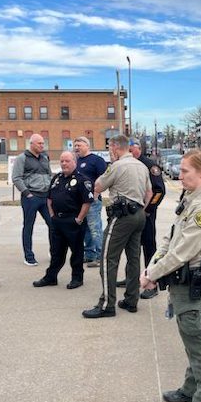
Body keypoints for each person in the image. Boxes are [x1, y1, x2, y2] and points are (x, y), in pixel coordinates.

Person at [139, 150, 201, 402]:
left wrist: (151, 275)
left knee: (200, 349)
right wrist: (152, 267)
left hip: (190, 284)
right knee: (191, 341)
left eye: (186, 170)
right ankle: (190, 389)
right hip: (179, 282)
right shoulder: (190, 200)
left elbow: (183, 252)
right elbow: (170, 239)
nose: (180, 174)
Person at [82, 134, 152, 319]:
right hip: (138, 215)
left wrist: (111, 164)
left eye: (109, 148)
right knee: (134, 258)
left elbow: (98, 186)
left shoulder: (116, 166)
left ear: (114, 147)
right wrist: (140, 209)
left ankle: (107, 304)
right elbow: (149, 192)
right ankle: (131, 299)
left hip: (121, 216)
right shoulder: (142, 166)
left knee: (107, 258)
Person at [32, 152, 94, 290]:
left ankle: (77, 278)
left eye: (67, 161)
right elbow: (49, 198)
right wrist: (52, 215)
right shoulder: (56, 178)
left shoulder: (82, 180)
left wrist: (79, 219)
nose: (64, 163)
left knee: (76, 252)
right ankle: (51, 277)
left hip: (73, 221)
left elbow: (87, 202)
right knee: (56, 252)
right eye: (62, 161)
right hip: (57, 221)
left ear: (74, 162)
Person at [126, 137, 166, 299]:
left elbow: (159, 190)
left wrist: (148, 210)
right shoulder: (127, 165)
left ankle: (152, 283)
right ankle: (132, 278)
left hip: (146, 214)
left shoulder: (150, 166)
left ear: (138, 150)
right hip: (130, 213)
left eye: (130, 150)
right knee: (131, 248)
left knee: (149, 247)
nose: (128, 153)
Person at [12, 133, 52, 266]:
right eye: (39, 143)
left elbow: (49, 175)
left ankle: (54, 252)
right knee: (29, 226)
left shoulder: (45, 157)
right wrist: (27, 193)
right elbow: (16, 178)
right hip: (31, 198)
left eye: (43, 143)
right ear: (31, 144)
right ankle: (29, 256)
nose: (42, 145)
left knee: (53, 225)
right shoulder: (22, 158)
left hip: (45, 197)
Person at [73, 137, 107, 268]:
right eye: (75, 145)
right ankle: (89, 255)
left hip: (92, 201)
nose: (76, 147)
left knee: (95, 229)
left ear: (87, 145)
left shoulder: (96, 160)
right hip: (79, 202)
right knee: (85, 228)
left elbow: (104, 178)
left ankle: (100, 256)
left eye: (79, 145)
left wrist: (96, 193)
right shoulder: (76, 161)